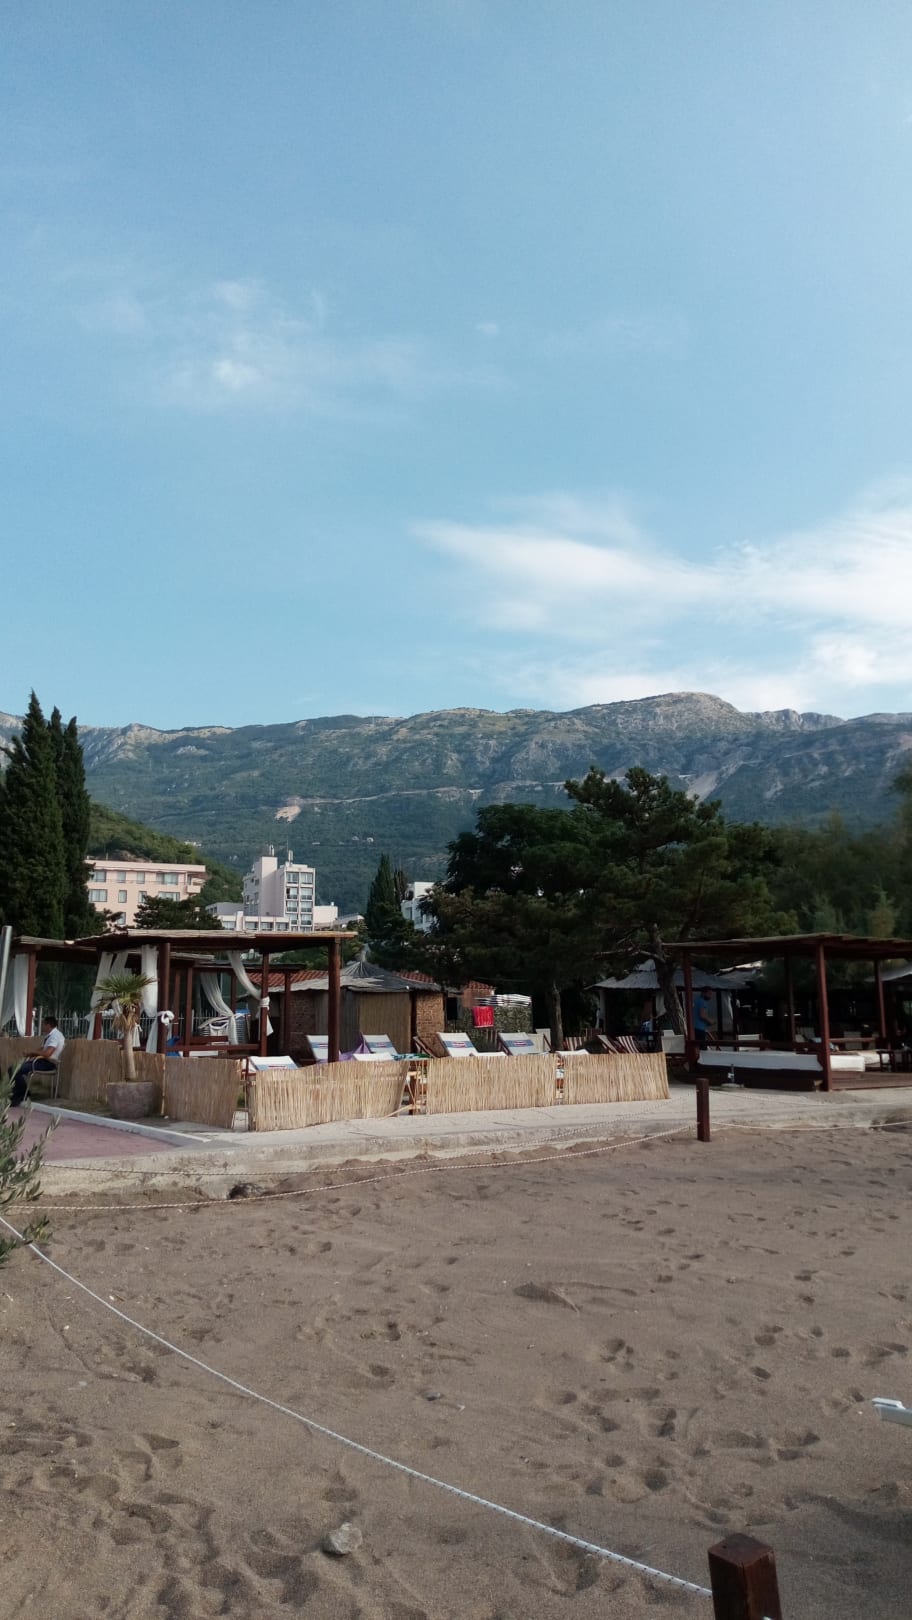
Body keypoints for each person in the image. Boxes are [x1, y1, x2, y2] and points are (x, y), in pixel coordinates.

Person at [9, 1017, 66, 1104]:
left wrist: (33, 1052)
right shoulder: (50, 1035)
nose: (42, 1026)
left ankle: (20, 1095)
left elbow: (47, 1053)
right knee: (13, 1068)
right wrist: (30, 1054)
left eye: (43, 1024)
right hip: (42, 1061)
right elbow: (42, 1049)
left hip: (48, 1063)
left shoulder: (55, 1036)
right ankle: (23, 1093)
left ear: (48, 1025)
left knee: (16, 1070)